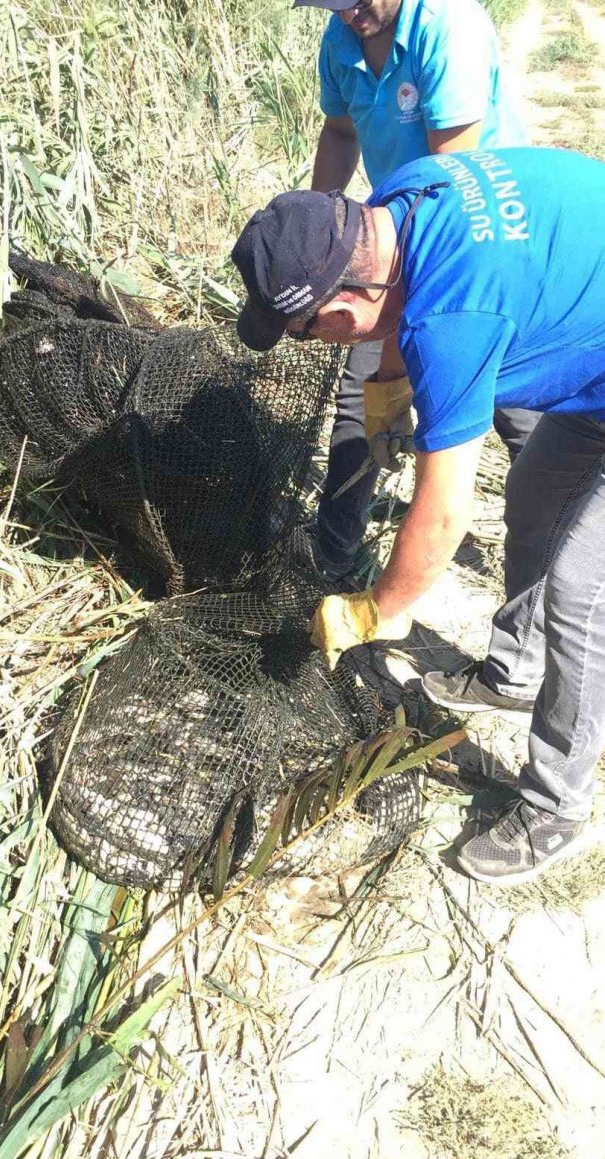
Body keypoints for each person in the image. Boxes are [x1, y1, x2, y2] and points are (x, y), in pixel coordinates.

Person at [230, 145, 605, 886]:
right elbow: (392, 319)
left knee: (578, 590)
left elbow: (443, 516)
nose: (317, 347)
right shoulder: (397, 201)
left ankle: (557, 807)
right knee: (534, 498)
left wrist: (379, 608)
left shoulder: (451, 318)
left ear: (337, 312)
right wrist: (388, 395)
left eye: (306, 334)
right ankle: (513, 673)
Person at [293, 0, 536, 586]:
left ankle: (558, 532)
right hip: (396, 233)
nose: (348, 16)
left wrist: (398, 333)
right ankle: (334, 552)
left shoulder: (448, 25)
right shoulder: (342, 40)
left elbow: (450, 181)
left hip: (481, 238)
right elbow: (339, 129)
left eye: (355, 2)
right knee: (363, 391)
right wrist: (318, 234)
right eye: (332, 6)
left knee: (508, 397)